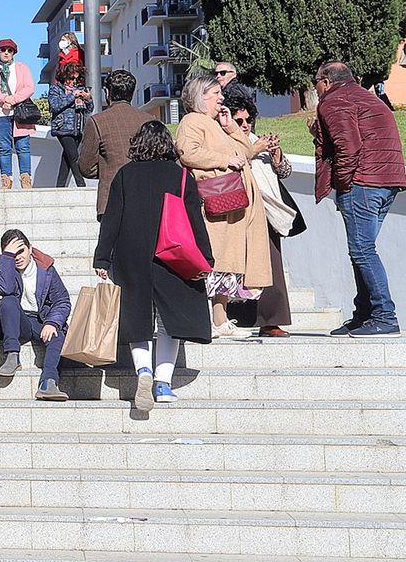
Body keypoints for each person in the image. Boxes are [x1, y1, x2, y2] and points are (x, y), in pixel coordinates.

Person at [94, 121, 214, 411]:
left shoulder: (124, 175)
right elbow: (194, 220)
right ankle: (162, 382)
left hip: (130, 252)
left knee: (137, 316)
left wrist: (102, 257)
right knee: (169, 318)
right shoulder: (181, 176)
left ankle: (143, 371)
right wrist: (206, 257)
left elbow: (112, 218)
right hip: (171, 253)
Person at [313, 60, 406, 335]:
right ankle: (364, 313)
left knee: (362, 250)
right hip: (387, 183)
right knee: (361, 251)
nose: (315, 87)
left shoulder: (333, 101)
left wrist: (343, 183)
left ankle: (384, 315)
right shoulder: (365, 97)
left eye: (315, 81)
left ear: (326, 81)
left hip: (363, 183)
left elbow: (348, 146)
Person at [177, 73, 271, 339]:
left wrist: (230, 127)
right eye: (215, 94)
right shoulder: (192, 121)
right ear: (200, 97)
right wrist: (223, 159)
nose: (221, 99)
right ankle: (216, 320)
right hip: (217, 203)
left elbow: (245, 154)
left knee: (227, 263)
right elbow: (187, 152)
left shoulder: (215, 123)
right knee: (218, 261)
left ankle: (221, 319)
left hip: (232, 205)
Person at [230, 101, 296, 338]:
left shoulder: (259, 140)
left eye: (248, 120)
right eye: (240, 121)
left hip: (267, 212)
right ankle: (238, 317)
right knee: (241, 268)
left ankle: (271, 320)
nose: (245, 125)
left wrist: (277, 156)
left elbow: (284, 173)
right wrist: (254, 150)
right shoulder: (228, 141)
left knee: (272, 266)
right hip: (240, 213)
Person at [0, 229, 72, 401]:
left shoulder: (46, 269)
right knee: (7, 301)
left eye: (21, 251)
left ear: (30, 249)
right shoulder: (4, 268)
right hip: (17, 321)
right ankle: (12, 355)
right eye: (12, 254)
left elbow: (63, 300)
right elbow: (5, 289)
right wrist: (7, 258)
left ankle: (48, 383)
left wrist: (52, 322)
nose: (18, 257)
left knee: (58, 335)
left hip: (41, 320)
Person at [78, 69, 148, 218]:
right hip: (145, 197)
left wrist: (106, 168)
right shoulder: (149, 120)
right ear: (132, 93)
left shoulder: (97, 122)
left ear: (107, 93)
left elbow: (85, 166)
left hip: (111, 199)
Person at [0, 39, 36, 189]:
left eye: (9, 50)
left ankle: (25, 178)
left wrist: (13, 99)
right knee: (4, 147)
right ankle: (6, 179)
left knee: (23, 146)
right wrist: (4, 98)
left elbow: (30, 87)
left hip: (20, 112)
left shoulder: (22, 68)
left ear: (14, 52)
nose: (6, 53)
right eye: (3, 50)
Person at [49, 63, 92, 188]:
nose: (74, 82)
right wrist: (71, 96)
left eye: (76, 79)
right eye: (71, 78)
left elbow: (89, 109)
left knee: (67, 158)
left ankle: (60, 186)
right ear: (64, 76)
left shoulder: (81, 89)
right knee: (74, 156)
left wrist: (88, 99)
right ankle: (81, 184)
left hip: (78, 129)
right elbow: (54, 106)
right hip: (62, 128)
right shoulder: (56, 89)